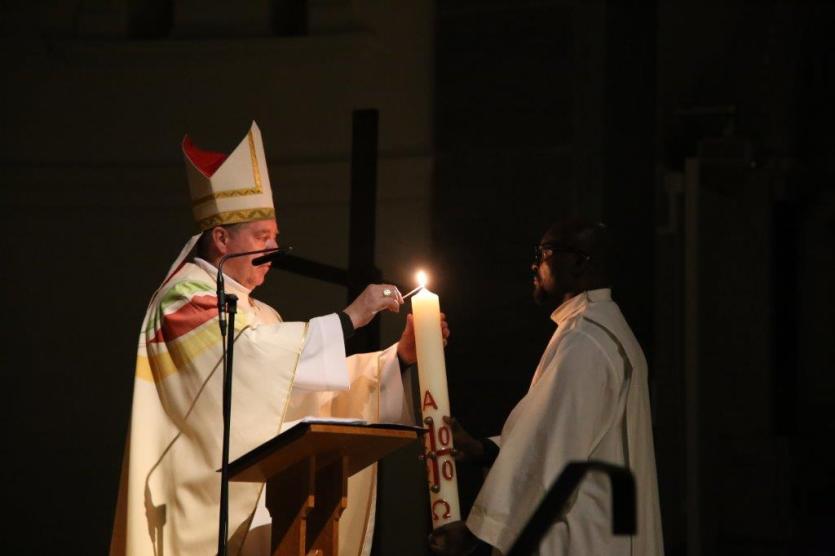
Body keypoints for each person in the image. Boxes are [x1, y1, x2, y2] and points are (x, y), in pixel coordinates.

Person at [110, 122, 448, 556]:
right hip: (198, 509)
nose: (274, 250)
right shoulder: (184, 301)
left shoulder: (259, 312)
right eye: (262, 238)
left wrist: (398, 358)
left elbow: (301, 391)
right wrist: (354, 316)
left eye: (276, 237)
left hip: (268, 509)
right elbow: (245, 366)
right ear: (220, 238)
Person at [429, 219, 663, 555]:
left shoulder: (586, 339)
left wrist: (475, 535)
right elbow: (557, 434)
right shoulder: (599, 329)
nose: (534, 264)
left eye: (544, 253)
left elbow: (550, 450)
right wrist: (485, 450)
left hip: (585, 536)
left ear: (579, 262)